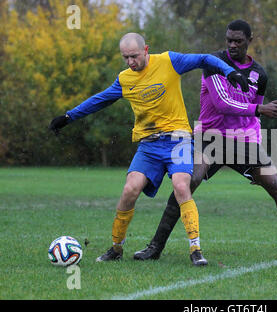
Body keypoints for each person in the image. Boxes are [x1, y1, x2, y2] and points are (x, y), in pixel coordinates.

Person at [48, 32, 250, 266]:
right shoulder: (124, 79)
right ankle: (116, 248)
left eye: (134, 56)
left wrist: (229, 71)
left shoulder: (169, 61)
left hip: (179, 140)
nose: (130, 62)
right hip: (149, 145)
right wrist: (68, 116)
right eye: (125, 58)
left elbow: (204, 58)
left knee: (181, 186)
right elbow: (99, 100)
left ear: (146, 50)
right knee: (129, 190)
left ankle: (196, 250)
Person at [134, 20, 277, 264]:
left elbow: (254, 115)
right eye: (229, 40)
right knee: (187, 182)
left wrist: (257, 140)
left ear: (249, 40)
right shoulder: (214, 63)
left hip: (243, 141)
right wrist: (259, 109)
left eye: (238, 41)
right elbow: (222, 103)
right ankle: (155, 247)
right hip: (209, 138)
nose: (233, 45)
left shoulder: (260, 74)